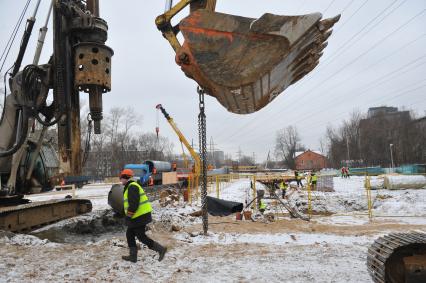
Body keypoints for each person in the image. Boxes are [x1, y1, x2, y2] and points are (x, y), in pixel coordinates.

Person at [119, 169, 167, 263]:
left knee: (141, 237)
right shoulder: (130, 186)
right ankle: (133, 257)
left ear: (126, 178)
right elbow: (129, 203)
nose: (120, 180)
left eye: (121, 178)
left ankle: (161, 249)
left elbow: (134, 205)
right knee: (129, 234)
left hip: (140, 216)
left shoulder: (132, 187)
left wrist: (128, 217)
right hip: (138, 215)